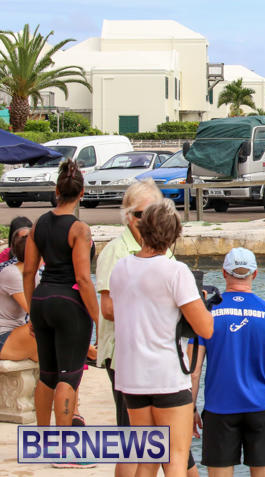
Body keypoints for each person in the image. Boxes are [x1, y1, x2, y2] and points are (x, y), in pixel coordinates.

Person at [95, 180, 198, 477]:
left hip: (149, 362)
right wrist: (158, 311)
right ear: (129, 216)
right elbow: (108, 308)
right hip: (133, 359)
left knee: (152, 450)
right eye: (142, 214)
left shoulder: (157, 256)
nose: (148, 220)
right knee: (140, 446)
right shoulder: (117, 253)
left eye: (153, 212)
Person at [191, 247, 265, 477]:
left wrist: (191, 409)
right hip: (261, 408)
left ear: (224, 273)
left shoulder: (206, 314)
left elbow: (193, 370)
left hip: (219, 408)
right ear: (255, 274)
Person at [23, 159, 99, 427]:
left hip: (41, 300)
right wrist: (98, 319)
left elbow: (28, 272)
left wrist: (31, 311)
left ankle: (42, 438)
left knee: (47, 375)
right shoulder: (79, 229)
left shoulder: (38, 224)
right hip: (69, 304)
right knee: (68, 376)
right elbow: (83, 279)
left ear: (56, 191)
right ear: (82, 193)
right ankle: (64, 443)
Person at [0, 228, 38, 361]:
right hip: (4, 336)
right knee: (48, 328)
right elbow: (35, 312)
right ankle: (89, 352)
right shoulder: (12, 274)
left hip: (18, 331)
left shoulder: (34, 274)